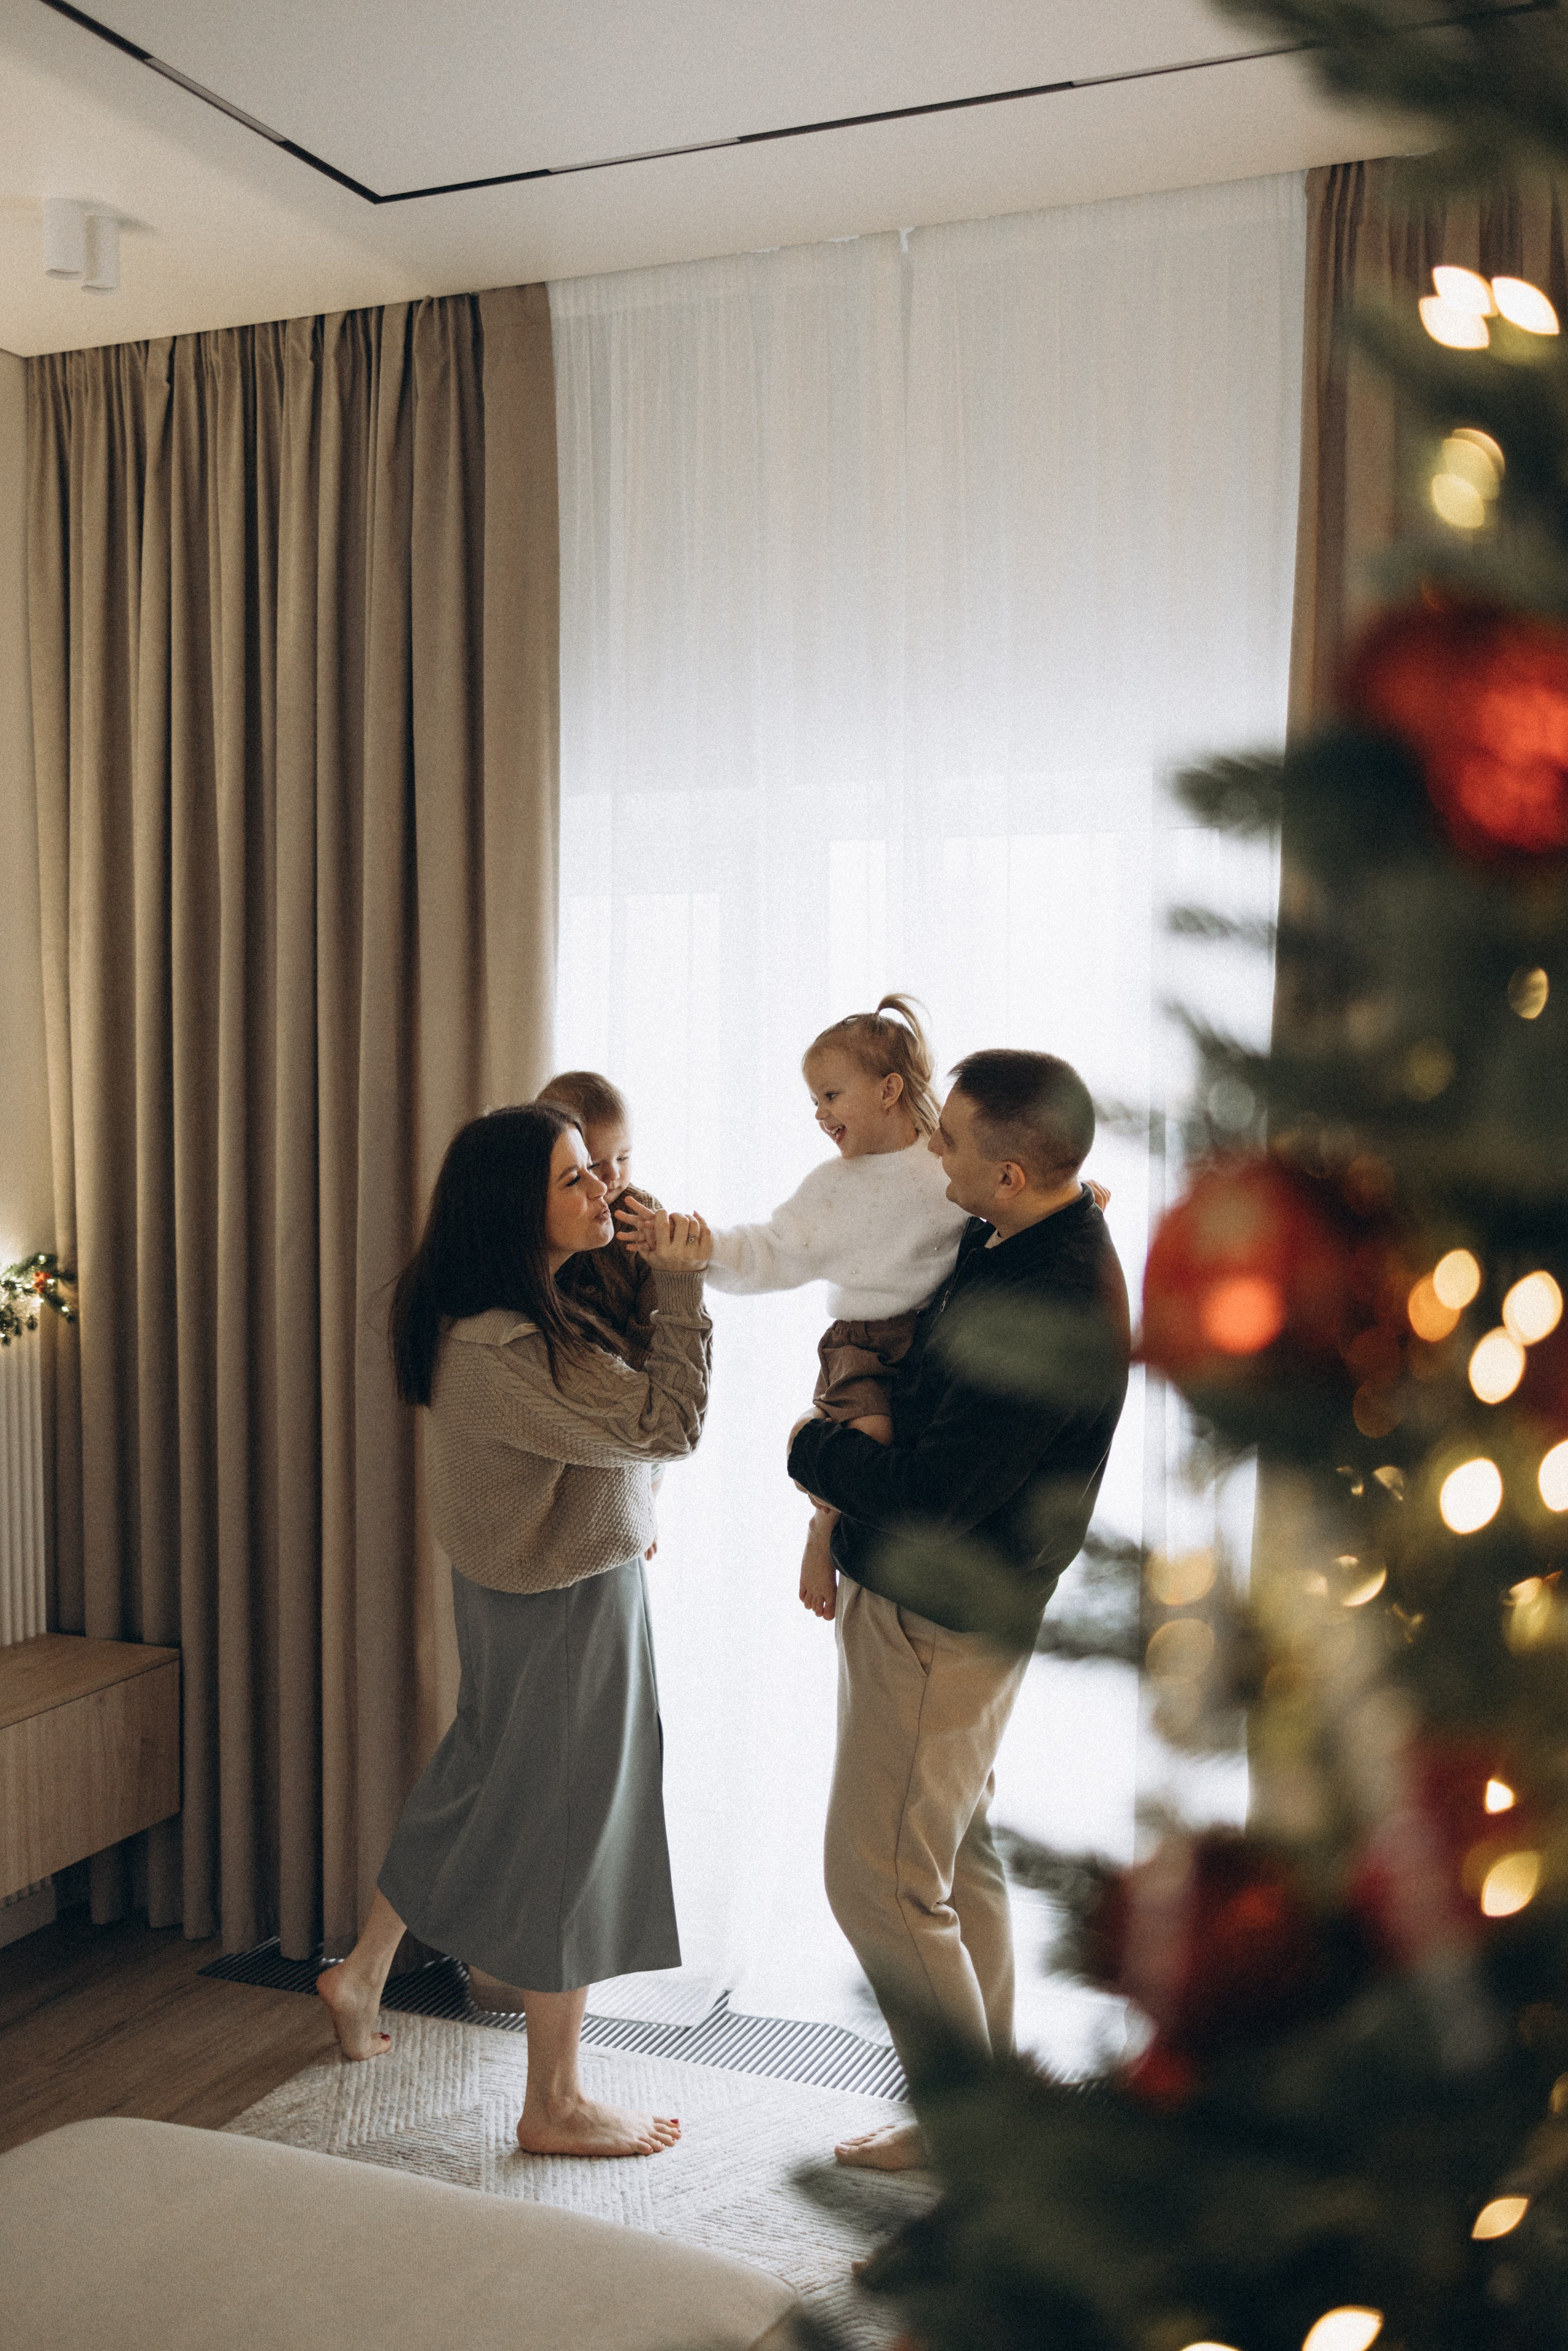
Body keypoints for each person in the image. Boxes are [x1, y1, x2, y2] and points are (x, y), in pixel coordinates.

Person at [317, 1102, 712, 2161]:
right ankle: (554, 2100)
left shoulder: (503, 1315)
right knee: (570, 1830)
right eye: (576, 1178)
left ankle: (360, 1973)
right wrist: (686, 1286)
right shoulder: (509, 1346)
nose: (603, 1189)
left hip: (521, 1591)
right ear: (512, 1210)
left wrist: (648, 1261)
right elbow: (668, 1423)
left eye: (599, 1170)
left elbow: (608, 1438)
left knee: (478, 1779)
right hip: (566, 1602)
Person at [786, 1049, 1130, 2172]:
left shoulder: (1049, 1297)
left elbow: (936, 1492)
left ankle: (973, 2150)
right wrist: (831, 1523)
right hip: (940, 1606)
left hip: (941, 1616)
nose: (933, 1151)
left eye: (951, 1142)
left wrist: (811, 1450)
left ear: (1013, 1174)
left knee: (877, 1878)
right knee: (950, 1855)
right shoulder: (1016, 1234)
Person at [621, 997, 969, 1622]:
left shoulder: (945, 1166)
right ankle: (821, 1532)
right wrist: (699, 1246)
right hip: (861, 1343)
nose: (819, 1114)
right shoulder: (831, 1186)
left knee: (920, 1454)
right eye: (815, 1100)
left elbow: (1003, 1195)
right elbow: (770, 1249)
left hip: (931, 1337)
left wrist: (1074, 1195)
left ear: (889, 1090)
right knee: (869, 1442)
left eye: (832, 1096)